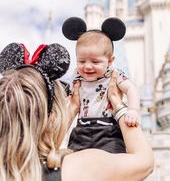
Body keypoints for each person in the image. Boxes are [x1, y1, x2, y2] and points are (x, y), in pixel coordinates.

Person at [0, 41, 154, 181]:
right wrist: (117, 104)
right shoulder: (81, 167)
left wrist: (72, 108)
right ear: (52, 117)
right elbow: (145, 162)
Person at [62, 16, 140, 153]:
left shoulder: (113, 74)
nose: (87, 66)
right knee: (74, 158)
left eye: (95, 62)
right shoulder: (77, 76)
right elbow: (67, 93)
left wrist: (133, 110)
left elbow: (131, 89)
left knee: (112, 159)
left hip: (108, 130)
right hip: (82, 129)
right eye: (81, 61)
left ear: (110, 61)